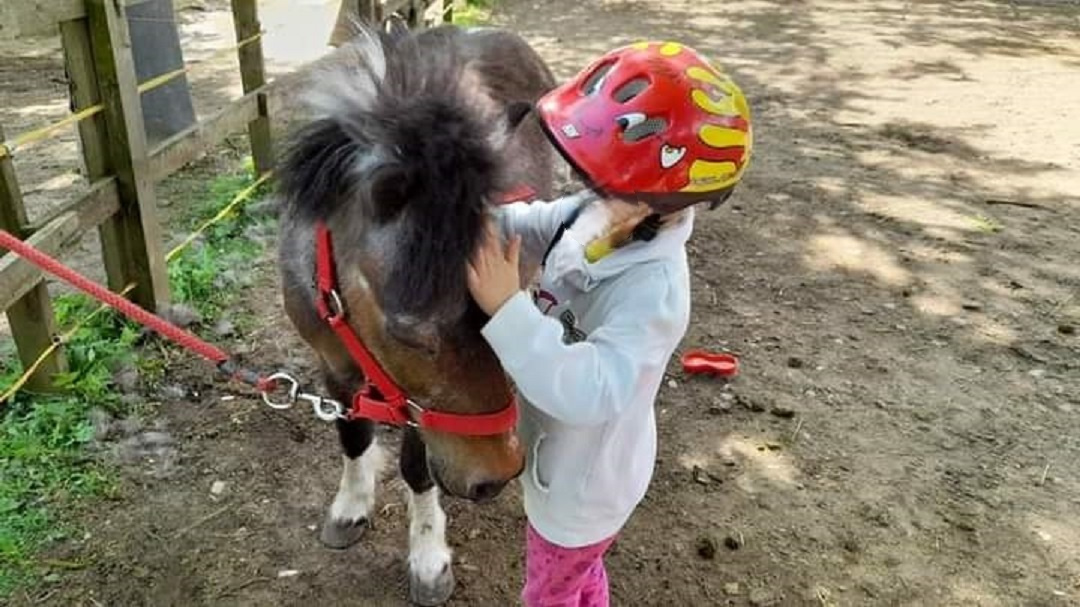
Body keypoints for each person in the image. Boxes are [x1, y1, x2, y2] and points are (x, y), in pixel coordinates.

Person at [466, 40, 753, 607]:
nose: (587, 190)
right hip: (560, 457)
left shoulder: (654, 291)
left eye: (603, 181)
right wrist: (466, 218)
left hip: (583, 486)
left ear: (659, 200)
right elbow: (530, 223)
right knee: (577, 579)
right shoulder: (603, 212)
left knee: (548, 591)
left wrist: (508, 309)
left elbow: (594, 390)